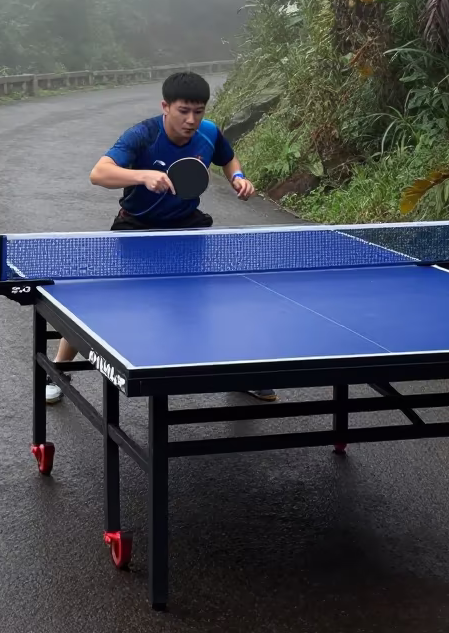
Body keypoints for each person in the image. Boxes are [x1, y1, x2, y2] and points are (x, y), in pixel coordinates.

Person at [45, 70, 277, 403]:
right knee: (96, 299)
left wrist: (238, 177)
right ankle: (58, 370)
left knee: (216, 297)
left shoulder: (209, 132)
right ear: (165, 106)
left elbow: (228, 159)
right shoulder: (143, 135)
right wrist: (142, 176)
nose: (191, 120)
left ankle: (240, 373)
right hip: (136, 227)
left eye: (198, 111)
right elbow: (99, 173)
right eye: (183, 111)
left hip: (185, 226)